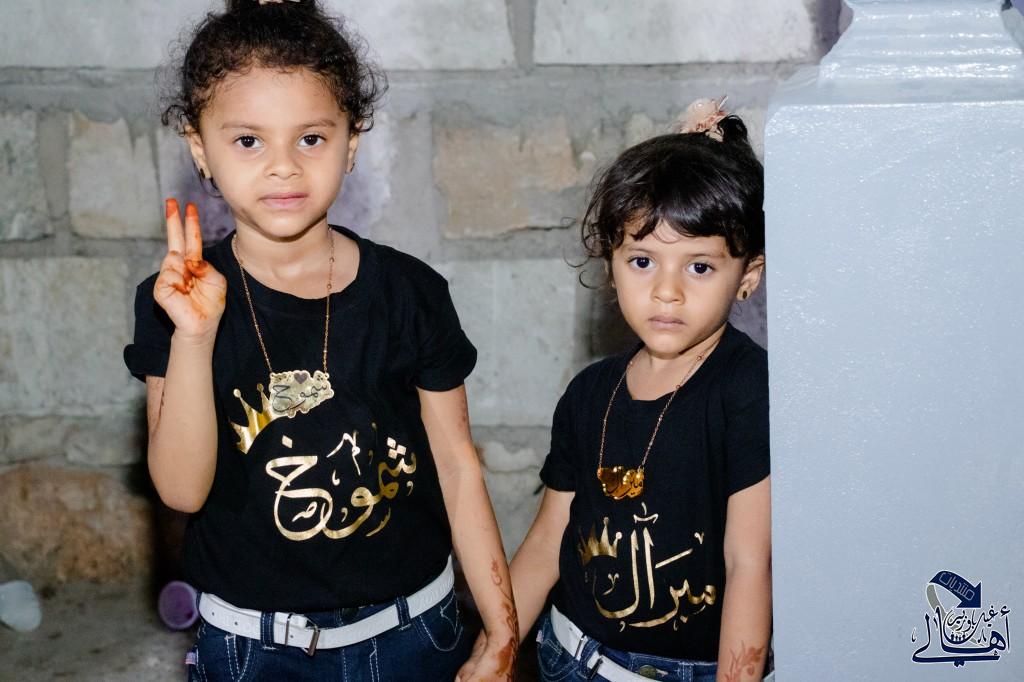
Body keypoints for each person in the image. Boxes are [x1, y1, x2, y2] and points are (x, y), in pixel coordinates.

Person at [123, 1, 517, 679]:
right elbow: (181, 493)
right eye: (248, 141)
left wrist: (503, 629)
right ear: (200, 149)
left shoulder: (409, 293)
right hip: (252, 649)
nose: (283, 167)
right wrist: (194, 337)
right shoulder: (175, 303)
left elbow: (457, 467)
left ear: (351, 142)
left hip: (414, 632)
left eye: (310, 138)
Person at [505, 99, 771, 682]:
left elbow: (749, 564)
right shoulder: (589, 393)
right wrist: (495, 651)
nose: (666, 292)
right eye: (643, 261)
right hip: (568, 657)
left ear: (747, 276)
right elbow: (549, 537)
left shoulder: (750, 392)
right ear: (611, 262)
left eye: (699, 267)